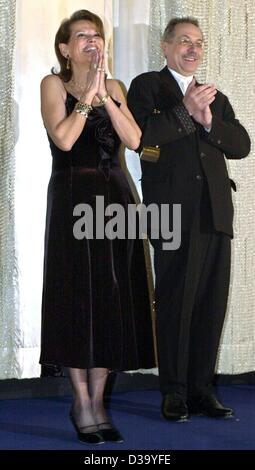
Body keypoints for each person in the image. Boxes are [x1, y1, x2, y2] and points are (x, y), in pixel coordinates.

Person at [39, 9, 155, 444]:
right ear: (65, 48)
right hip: (73, 199)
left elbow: (135, 140)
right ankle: (80, 402)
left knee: (111, 297)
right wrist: (86, 98)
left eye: (97, 35)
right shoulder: (54, 84)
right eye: (82, 35)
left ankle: (99, 402)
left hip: (117, 200)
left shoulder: (115, 87)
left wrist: (105, 94)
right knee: (76, 298)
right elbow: (64, 139)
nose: (92, 41)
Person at [127, 17, 250, 421]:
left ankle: (201, 390)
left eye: (198, 42)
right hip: (171, 214)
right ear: (165, 47)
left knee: (210, 304)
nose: (192, 49)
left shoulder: (214, 95)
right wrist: (186, 112)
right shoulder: (147, 86)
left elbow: (241, 145)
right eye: (184, 41)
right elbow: (143, 139)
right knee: (176, 304)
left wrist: (209, 120)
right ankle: (174, 392)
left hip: (215, 213)